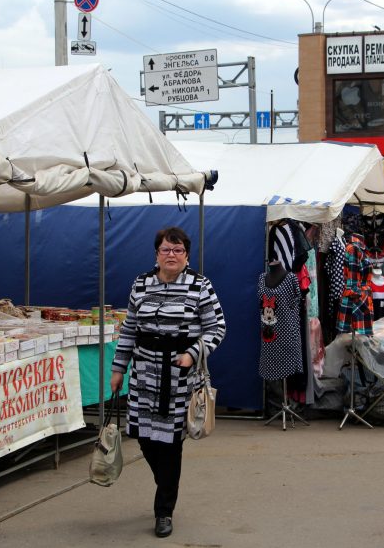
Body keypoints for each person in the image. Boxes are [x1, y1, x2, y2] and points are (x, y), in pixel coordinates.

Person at [110, 227, 227, 538]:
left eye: (177, 250)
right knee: (145, 438)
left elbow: (217, 328)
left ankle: (164, 510)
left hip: (179, 376)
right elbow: (130, 329)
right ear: (156, 254)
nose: (171, 255)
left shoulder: (200, 286)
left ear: (186, 256)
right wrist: (118, 368)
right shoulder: (141, 284)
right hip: (143, 373)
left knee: (171, 444)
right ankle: (166, 483)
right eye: (166, 250)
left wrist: (192, 353)